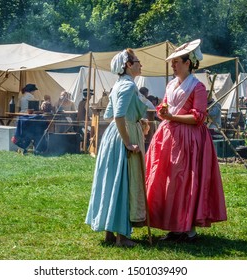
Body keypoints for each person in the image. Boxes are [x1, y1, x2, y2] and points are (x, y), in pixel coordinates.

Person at [145, 39, 227, 242]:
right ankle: (173, 225)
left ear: (187, 63)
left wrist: (171, 117)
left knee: (186, 182)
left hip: (190, 139)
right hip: (169, 137)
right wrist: (163, 112)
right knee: (169, 182)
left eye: (176, 62)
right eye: (172, 62)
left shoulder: (197, 87)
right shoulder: (171, 84)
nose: (172, 65)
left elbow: (198, 117)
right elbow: (164, 107)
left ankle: (188, 228)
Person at [85, 48, 148, 247]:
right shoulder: (128, 86)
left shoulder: (118, 85)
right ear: (128, 65)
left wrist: (138, 119)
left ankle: (110, 233)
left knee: (112, 181)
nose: (140, 64)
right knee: (123, 183)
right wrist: (128, 141)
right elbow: (118, 115)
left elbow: (108, 115)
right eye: (137, 61)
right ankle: (122, 236)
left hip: (114, 135)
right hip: (123, 134)